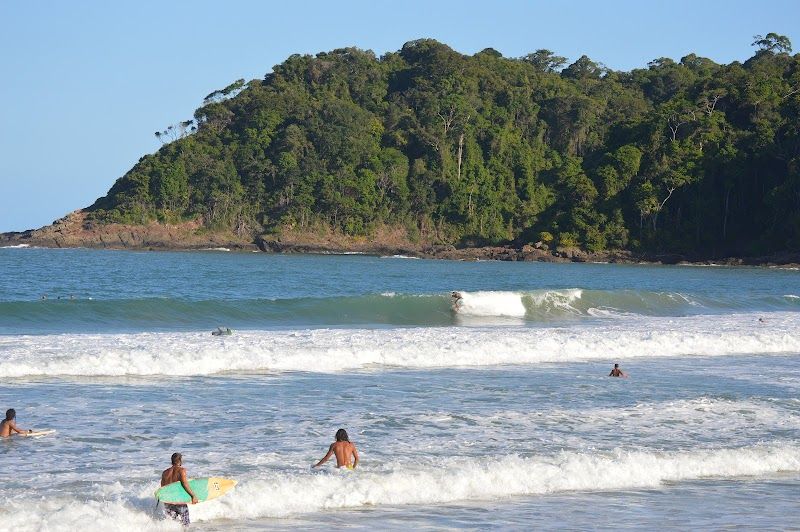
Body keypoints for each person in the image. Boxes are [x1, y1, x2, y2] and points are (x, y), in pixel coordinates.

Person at [160, 453, 198, 526]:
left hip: (168, 501)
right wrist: (193, 496)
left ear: (172, 461)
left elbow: (163, 488)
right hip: (179, 501)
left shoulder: (165, 472)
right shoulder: (181, 470)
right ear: (180, 460)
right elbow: (185, 484)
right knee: (185, 523)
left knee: (172, 524)